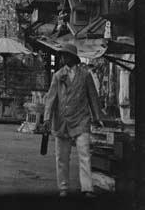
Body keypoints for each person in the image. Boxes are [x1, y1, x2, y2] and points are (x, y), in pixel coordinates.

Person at [43, 43, 103, 198]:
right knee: (62, 157)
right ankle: (63, 187)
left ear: (73, 58)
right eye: (62, 55)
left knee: (84, 154)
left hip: (81, 120)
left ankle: (87, 188)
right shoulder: (58, 76)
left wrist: (97, 117)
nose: (63, 58)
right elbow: (50, 99)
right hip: (62, 121)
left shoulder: (85, 75)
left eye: (66, 55)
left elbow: (93, 97)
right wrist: (47, 118)